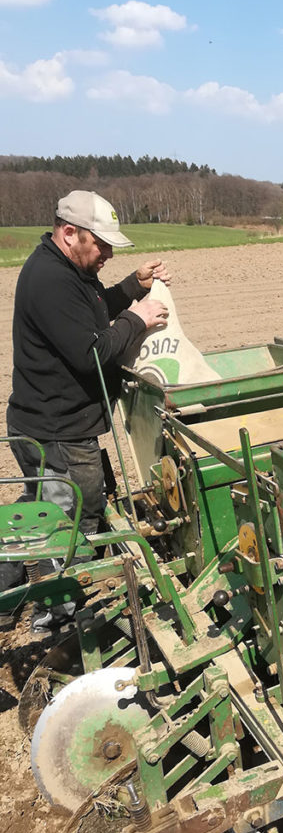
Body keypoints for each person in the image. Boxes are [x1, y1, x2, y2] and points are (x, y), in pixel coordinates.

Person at [4, 190, 171, 620]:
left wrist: (132, 287)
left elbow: (92, 313)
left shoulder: (67, 270)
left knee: (42, 502)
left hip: (46, 422)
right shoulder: (51, 280)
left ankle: (4, 588)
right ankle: (62, 615)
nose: (108, 253)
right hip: (59, 429)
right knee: (77, 518)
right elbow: (92, 351)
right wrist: (138, 319)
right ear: (69, 232)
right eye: (102, 243)